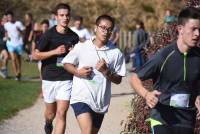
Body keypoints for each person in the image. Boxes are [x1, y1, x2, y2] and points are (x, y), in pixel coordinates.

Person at [130, 7, 200, 134]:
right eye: (193, 29)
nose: (197, 34)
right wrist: (147, 94)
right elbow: (134, 78)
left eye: (199, 29)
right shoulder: (164, 55)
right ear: (180, 29)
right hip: (162, 118)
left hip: (187, 121)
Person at [62, 14, 126, 134]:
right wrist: (77, 72)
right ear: (95, 28)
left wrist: (106, 71)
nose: (106, 31)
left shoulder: (116, 53)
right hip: (81, 97)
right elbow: (66, 63)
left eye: (109, 29)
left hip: (100, 102)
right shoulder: (82, 47)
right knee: (87, 131)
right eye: (103, 27)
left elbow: (118, 80)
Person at [34, 3, 79, 134]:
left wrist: (74, 53)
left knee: (61, 113)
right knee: (50, 114)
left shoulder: (74, 37)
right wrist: (54, 52)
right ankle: (48, 124)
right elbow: (35, 55)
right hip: (49, 78)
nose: (65, 18)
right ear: (56, 17)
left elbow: (78, 59)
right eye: (62, 15)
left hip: (66, 78)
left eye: (67, 15)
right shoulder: (48, 35)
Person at [4, 11, 25, 81]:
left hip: (19, 43)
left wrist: (20, 31)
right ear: (7, 17)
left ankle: (19, 72)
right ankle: (16, 74)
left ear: (13, 16)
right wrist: (6, 36)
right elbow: (6, 32)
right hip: (10, 43)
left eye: (10, 16)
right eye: (8, 17)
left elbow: (24, 33)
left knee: (18, 59)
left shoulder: (18, 23)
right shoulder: (6, 24)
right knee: (13, 59)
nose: (9, 18)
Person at [0, 14, 9, 78]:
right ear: (2, 19)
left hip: (6, 44)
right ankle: (3, 70)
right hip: (1, 44)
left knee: (6, 58)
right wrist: (3, 39)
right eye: (5, 18)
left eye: (7, 18)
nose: (6, 19)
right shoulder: (1, 25)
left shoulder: (8, 25)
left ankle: (4, 71)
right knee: (6, 56)